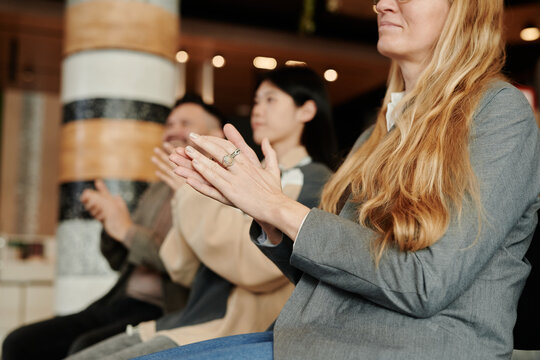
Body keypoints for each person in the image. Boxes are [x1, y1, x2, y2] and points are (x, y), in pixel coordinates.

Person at [138, 0, 540, 359]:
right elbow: (336, 275)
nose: (382, 4)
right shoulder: (378, 133)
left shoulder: (499, 111)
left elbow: (423, 281)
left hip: (414, 347)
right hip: (320, 338)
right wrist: (269, 220)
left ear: (465, 7)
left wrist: (278, 207)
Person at [63, 66, 338, 360]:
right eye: (256, 101)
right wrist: (184, 193)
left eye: (270, 100)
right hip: (189, 319)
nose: (258, 110)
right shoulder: (245, 171)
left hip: (231, 328)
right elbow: (184, 269)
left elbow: (256, 267)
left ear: (306, 110)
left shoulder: (314, 178)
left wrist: (188, 195)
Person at [1, 94, 225, 360]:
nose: (172, 130)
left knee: (83, 347)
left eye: (184, 123)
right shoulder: (158, 188)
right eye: (169, 123)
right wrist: (110, 225)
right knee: (19, 342)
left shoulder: (217, 191)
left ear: (215, 134)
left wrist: (127, 230)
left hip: (167, 307)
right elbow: (119, 261)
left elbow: (191, 265)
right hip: (119, 300)